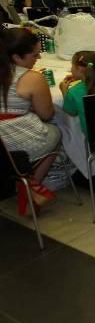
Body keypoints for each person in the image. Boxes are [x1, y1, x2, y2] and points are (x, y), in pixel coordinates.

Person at [0, 28, 61, 213]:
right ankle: (31, 185)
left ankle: (26, 183)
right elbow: (46, 114)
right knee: (56, 133)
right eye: (34, 54)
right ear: (17, 58)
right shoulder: (32, 77)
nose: (39, 57)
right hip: (14, 140)